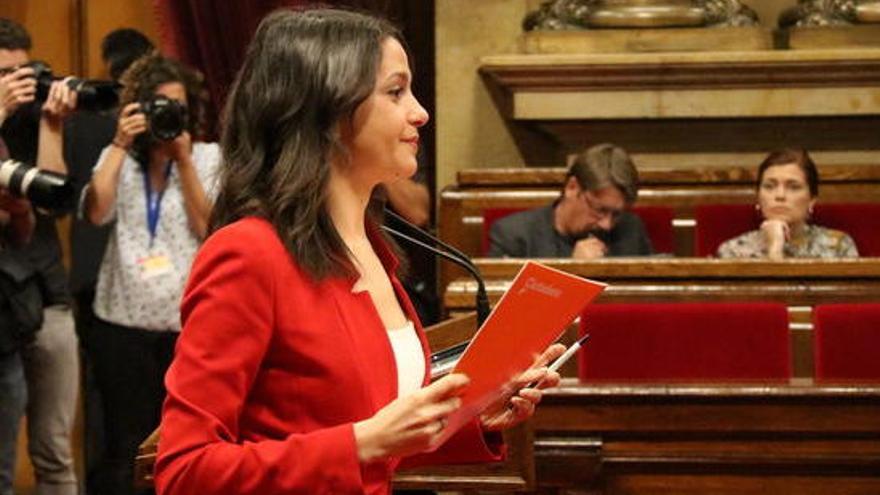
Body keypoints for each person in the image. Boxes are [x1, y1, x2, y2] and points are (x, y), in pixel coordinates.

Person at [154, 8, 564, 495]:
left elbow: (371, 435)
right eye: (395, 91)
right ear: (327, 111)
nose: (420, 112)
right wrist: (361, 443)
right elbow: (183, 471)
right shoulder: (248, 254)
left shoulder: (371, 250)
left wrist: (480, 417)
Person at [82, 53, 219, 495]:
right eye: (159, 106)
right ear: (138, 109)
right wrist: (120, 145)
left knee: (182, 441)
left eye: (176, 106)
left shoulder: (208, 157)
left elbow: (210, 228)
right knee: (126, 441)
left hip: (187, 326)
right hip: (121, 322)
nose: (168, 115)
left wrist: (183, 161)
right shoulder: (119, 157)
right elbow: (96, 211)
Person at [0, 17, 81, 495]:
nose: (18, 83)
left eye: (23, 72)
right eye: (6, 73)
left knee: (54, 451)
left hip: (47, 292)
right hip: (2, 312)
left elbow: (56, 201)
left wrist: (51, 123)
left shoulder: (33, 119)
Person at [488, 143, 652, 259]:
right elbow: (507, 306)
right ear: (572, 188)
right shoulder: (515, 236)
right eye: (600, 210)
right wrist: (573, 272)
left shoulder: (631, 230)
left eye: (616, 214)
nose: (607, 225)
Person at [717, 149, 858, 259]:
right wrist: (775, 247)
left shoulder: (838, 246)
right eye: (769, 186)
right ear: (758, 196)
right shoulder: (733, 251)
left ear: (812, 199)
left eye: (793, 187)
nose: (780, 196)